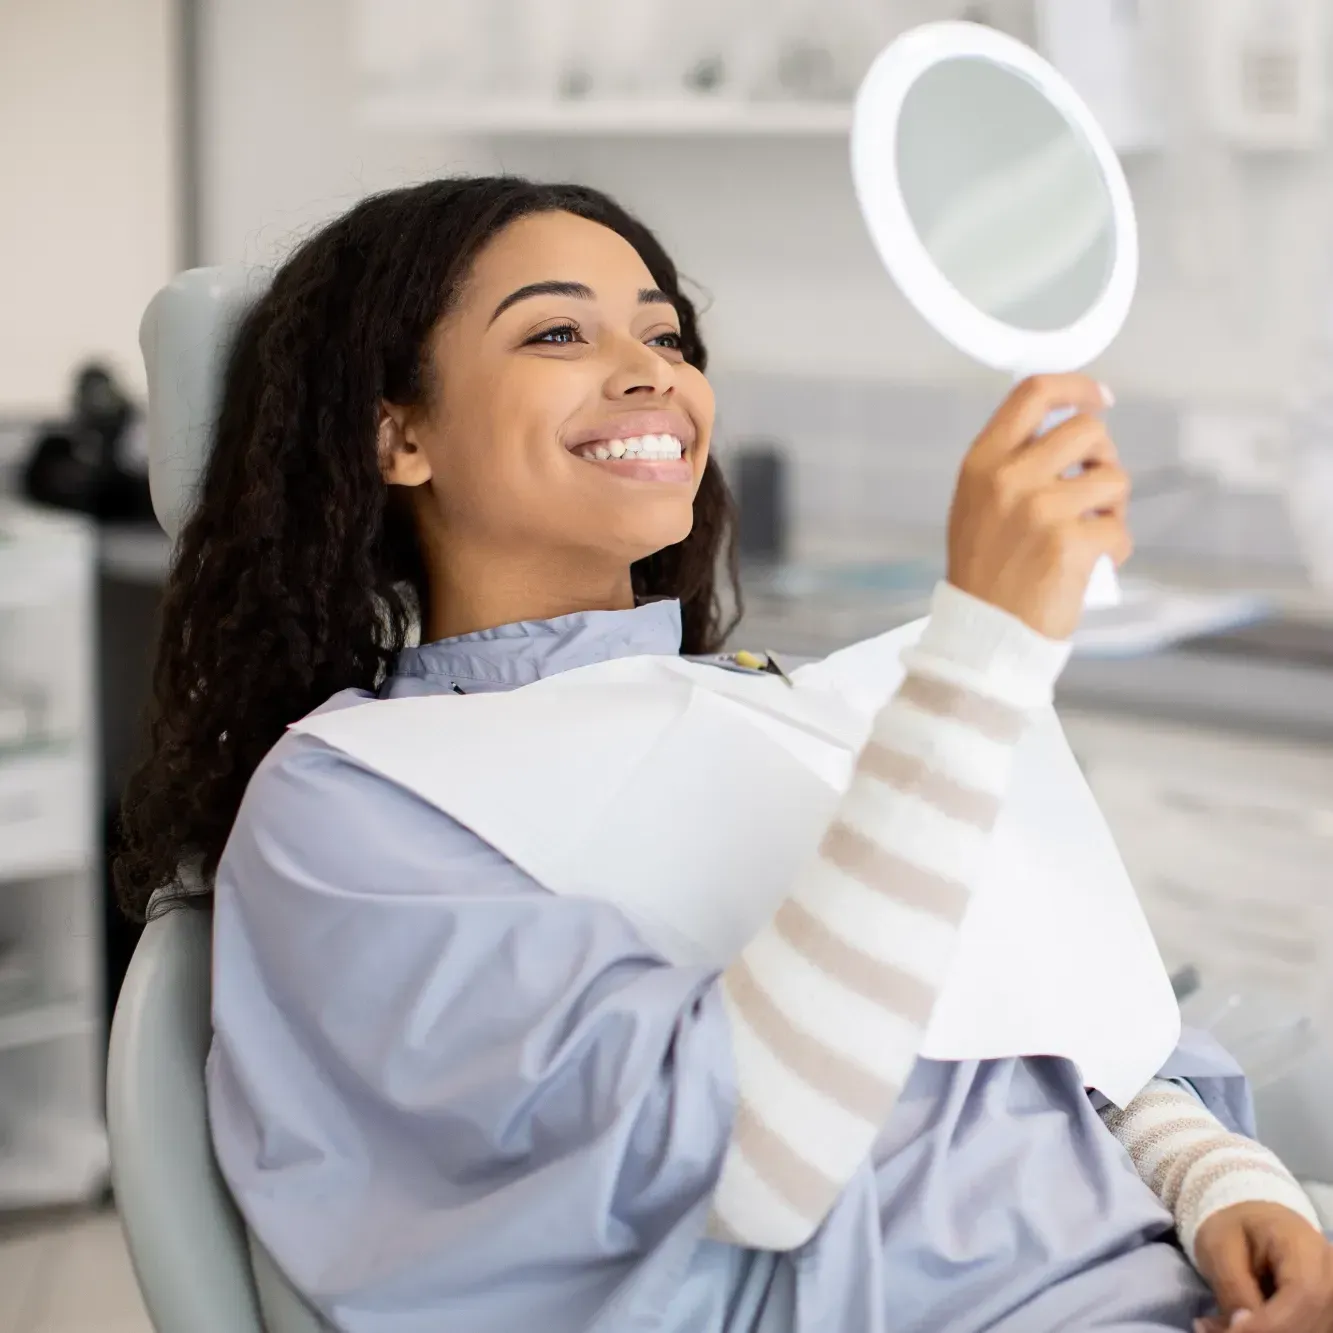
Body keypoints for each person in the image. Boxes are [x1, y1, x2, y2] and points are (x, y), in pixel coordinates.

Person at [116, 177, 1333, 1333]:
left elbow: (1056, 1020)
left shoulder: (770, 707)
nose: (652, 373)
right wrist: (983, 654)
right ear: (398, 437)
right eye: (556, 336)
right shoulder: (351, 804)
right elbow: (749, 1152)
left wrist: (1218, 1179)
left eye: (667, 336)